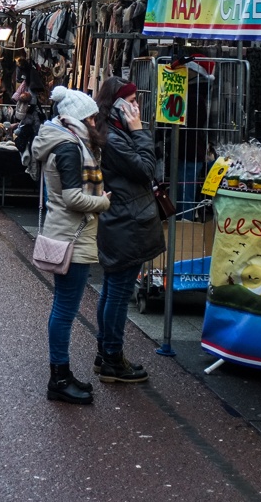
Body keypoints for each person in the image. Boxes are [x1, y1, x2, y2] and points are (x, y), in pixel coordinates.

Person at [31, 86, 111, 406]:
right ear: (80, 118)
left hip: (66, 234)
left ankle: (62, 374)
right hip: (71, 239)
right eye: (92, 118)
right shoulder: (69, 148)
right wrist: (103, 202)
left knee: (63, 309)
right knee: (65, 310)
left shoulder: (64, 142)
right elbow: (72, 198)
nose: (95, 124)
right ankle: (59, 379)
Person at [93, 77, 163, 384]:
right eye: (131, 101)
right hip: (127, 221)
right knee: (118, 293)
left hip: (121, 218)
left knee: (112, 290)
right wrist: (140, 132)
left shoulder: (109, 132)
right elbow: (146, 169)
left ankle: (105, 353)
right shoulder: (116, 137)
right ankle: (112, 359)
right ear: (117, 104)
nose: (136, 107)